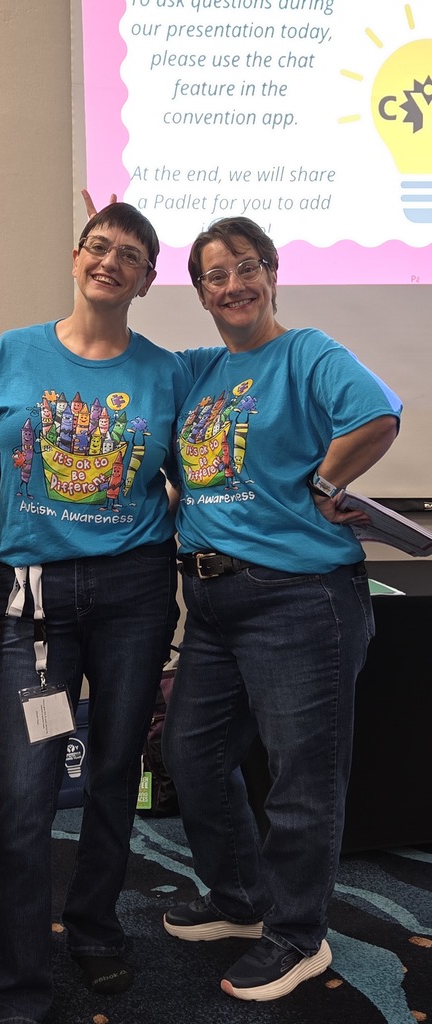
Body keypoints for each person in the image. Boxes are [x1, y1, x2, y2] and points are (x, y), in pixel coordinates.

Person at [0, 202, 192, 1024]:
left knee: (114, 772)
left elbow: (197, 470)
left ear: (146, 279)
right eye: (100, 246)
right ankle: (14, 981)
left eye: (130, 255)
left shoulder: (168, 372)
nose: (111, 262)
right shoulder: (13, 353)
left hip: (132, 595)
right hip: (33, 606)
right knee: (25, 790)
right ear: (75, 256)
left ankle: (95, 930)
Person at [160, 216, 402, 1001]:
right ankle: (240, 903)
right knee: (193, 760)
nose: (232, 286)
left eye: (245, 268)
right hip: (212, 598)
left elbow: (376, 414)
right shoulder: (198, 371)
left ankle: (298, 937)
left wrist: (326, 483)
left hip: (299, 600)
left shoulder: (308, 352)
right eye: (214, 276)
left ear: (271, 271)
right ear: (198, 292)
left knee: (301, 780)